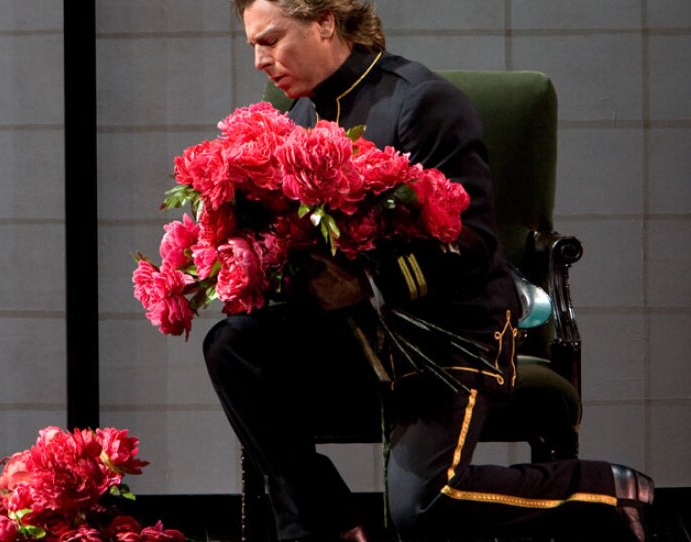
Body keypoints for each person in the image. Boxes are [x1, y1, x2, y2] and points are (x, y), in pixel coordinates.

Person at [202, 1, 655, 541]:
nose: (259, 60)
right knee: (233, 346)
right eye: (253, 44)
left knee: (425, 508)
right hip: (357, 337)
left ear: (324, 22)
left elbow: (475, 245)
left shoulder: (422, 101)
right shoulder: (297, 119)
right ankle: (330, 526)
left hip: (450, 331)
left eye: (271, 40)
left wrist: (368, 283)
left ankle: (604, 486)